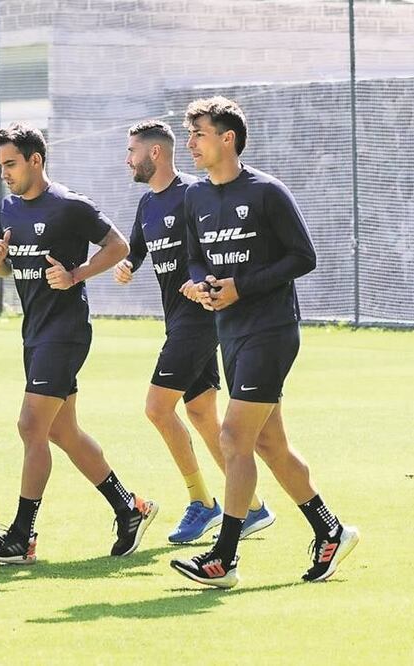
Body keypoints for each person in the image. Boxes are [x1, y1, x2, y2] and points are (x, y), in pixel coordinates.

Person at [171, 96, 359, 588]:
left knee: (234, 438)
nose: (190, 144)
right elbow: (195, 256)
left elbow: (303, 257)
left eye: (198, 135)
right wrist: (201, 283)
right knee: (271, 444)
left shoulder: (268, 192)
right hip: (230, 332)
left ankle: (224, 558)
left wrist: (242, 287)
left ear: (227, 138)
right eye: (190, 135)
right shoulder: (194, 197)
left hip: (271, 331)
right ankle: (331, 530)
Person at [0, 122, 157, 565]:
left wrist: (76, 275)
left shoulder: (70, 205)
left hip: (66, 331)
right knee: (61, 431)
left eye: (11, 164)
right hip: (34, 332)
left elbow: (118, 246)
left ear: (35, 160)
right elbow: (10, 271)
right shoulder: (9, 208)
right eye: (0, 165)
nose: (4, 173)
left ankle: (22, 536)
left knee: (30, 427)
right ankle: (129, 508)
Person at [115, 120, 272, 543]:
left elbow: (217, 247)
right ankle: (252, 506)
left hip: (200, 318)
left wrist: (201, 281)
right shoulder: (147, 204)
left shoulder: (194, 193)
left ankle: (202, 501)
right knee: (201, 413)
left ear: (154, 153)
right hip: (176, 319)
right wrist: (128, 265)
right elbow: (137, 249)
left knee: (157, 408)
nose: (127, 159)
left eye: (131, 151)